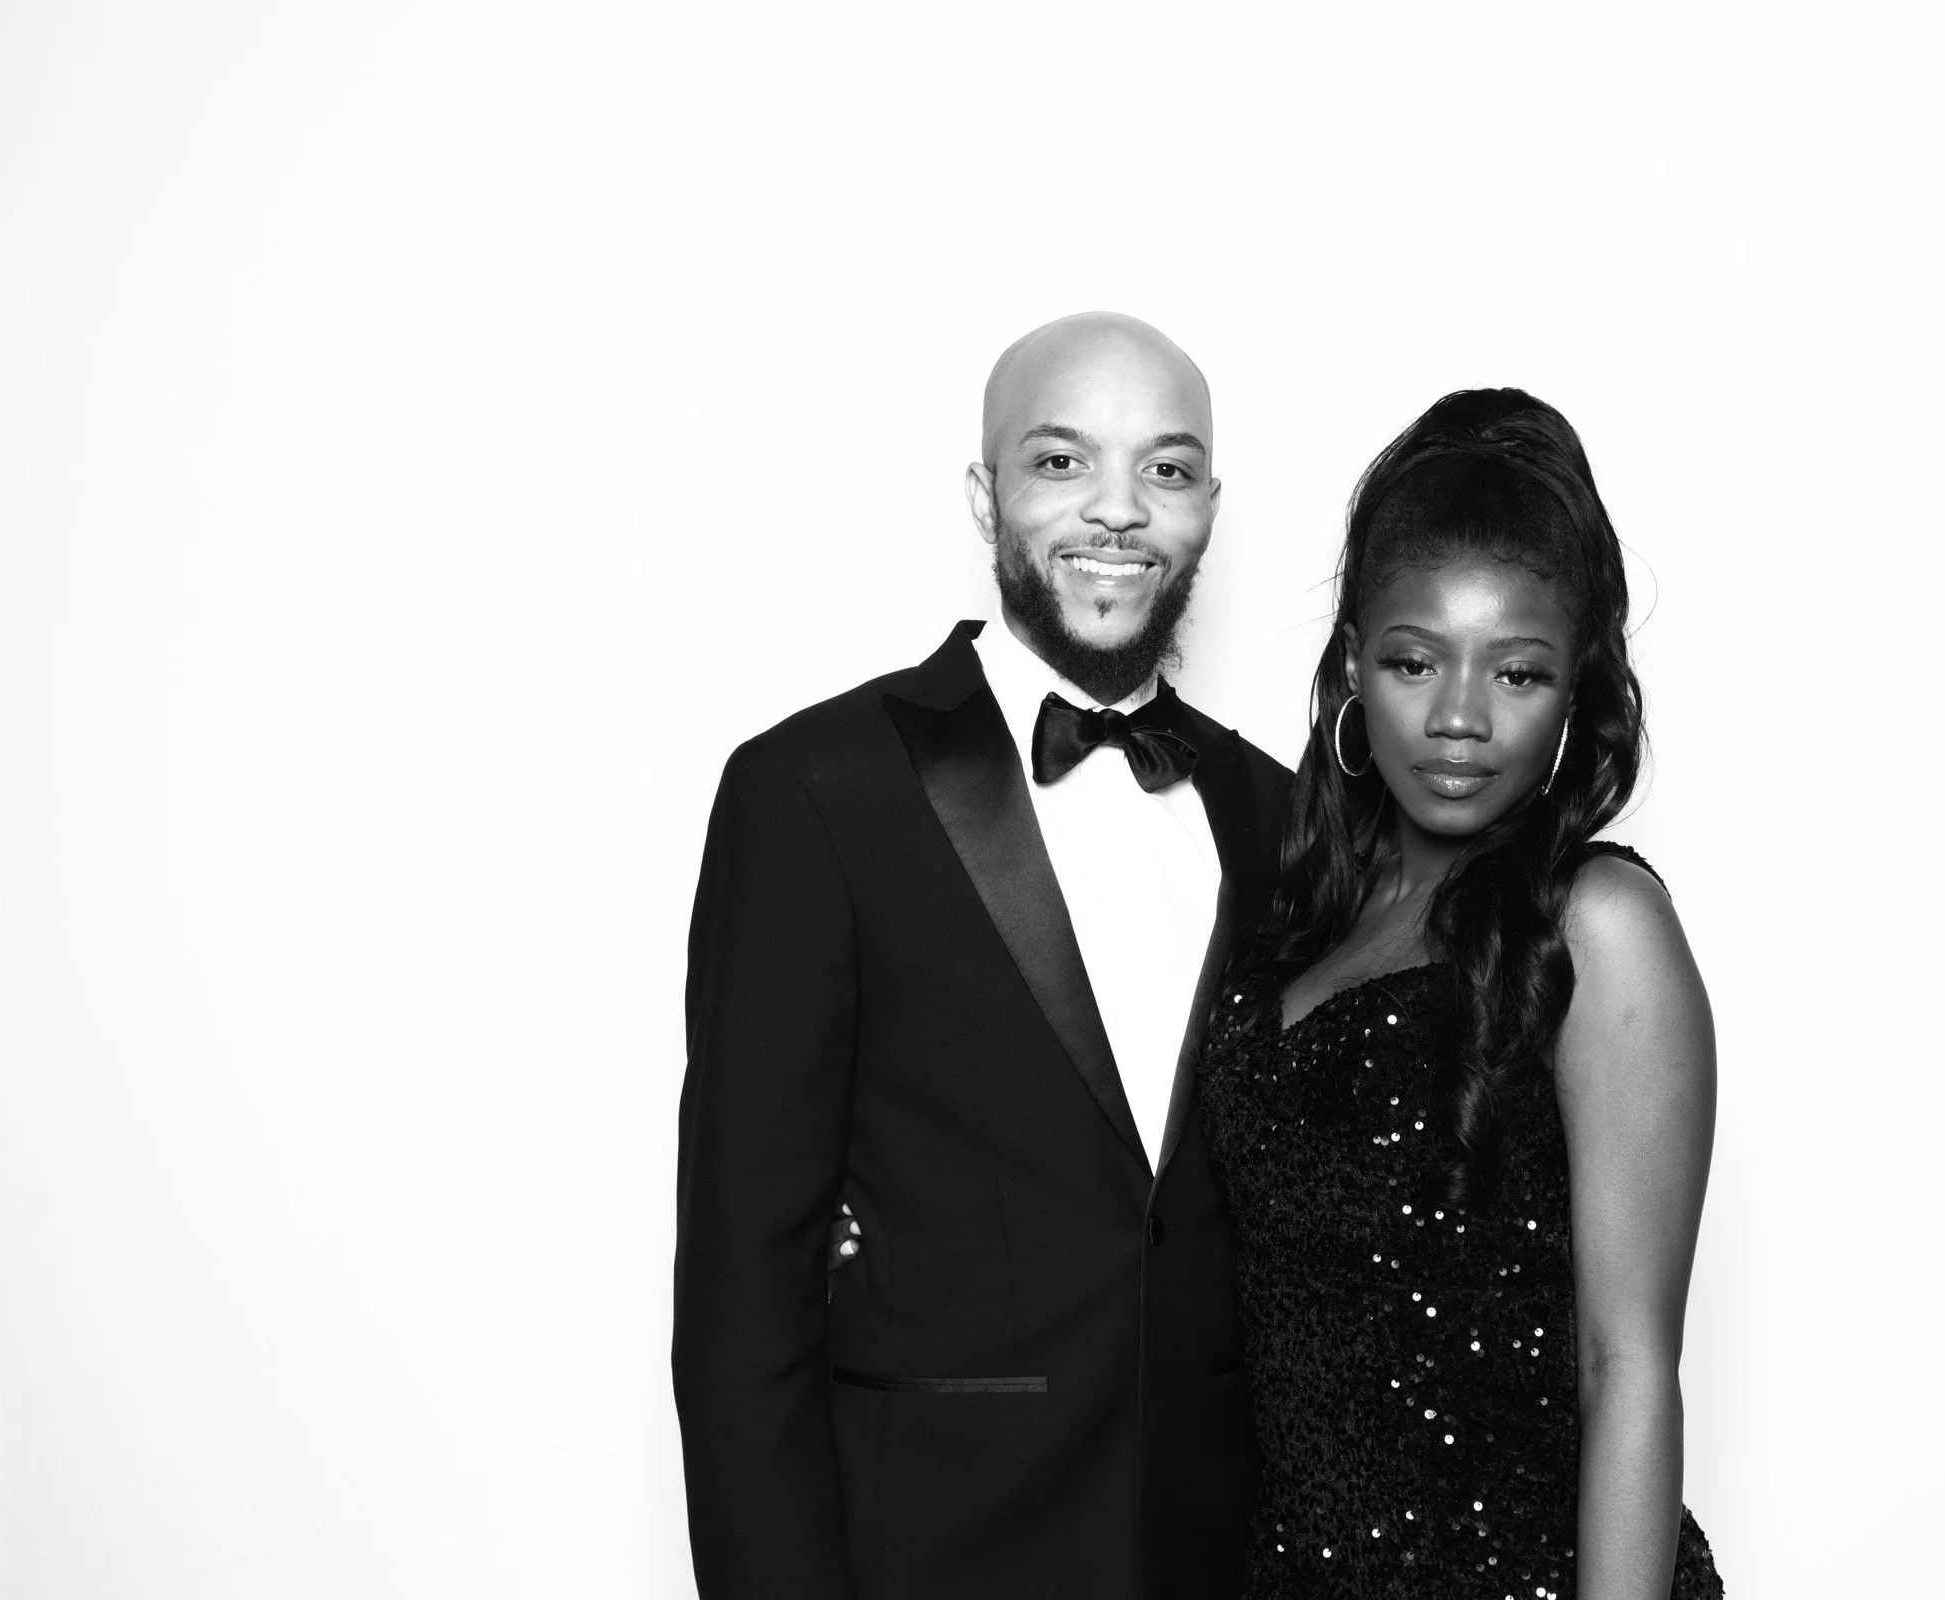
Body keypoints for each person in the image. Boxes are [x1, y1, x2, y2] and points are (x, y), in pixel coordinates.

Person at [672, 312, 1291, 1599]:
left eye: (1166, 470)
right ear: (984, 493)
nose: (1117, 512)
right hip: (932, 1551)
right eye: (1062, 463)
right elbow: (743, 1293)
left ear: (1212, 509)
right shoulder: (816, 792)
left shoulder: (1284, 819)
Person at [1197, 389, 1726, 1598]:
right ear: (1350, 668)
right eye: (1415, 658)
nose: (1457, 719)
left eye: (1520, 672)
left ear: (1576, 694)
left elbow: (1629, 1362)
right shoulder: (1292, 912)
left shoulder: (1598, 926)